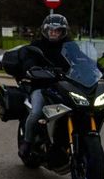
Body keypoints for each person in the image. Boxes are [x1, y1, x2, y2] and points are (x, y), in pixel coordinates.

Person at [18, 14, 72, 158]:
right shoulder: (37, 45)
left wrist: (100, 68)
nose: (54, 33)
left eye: (57, 30)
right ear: (46, 30)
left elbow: (82, 59)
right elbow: (28, 59)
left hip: (64, 87)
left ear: (63, 32)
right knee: (35, 113)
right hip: (42, 87)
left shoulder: (69, 46)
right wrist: (32, 68)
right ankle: (27, 142)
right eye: (51, 30)